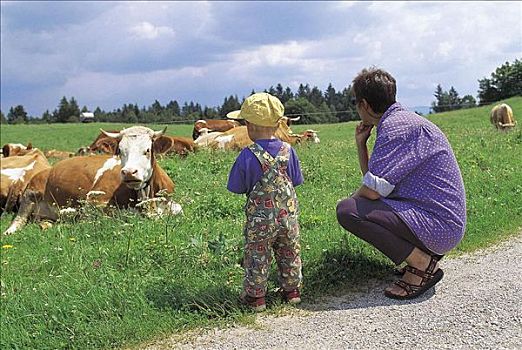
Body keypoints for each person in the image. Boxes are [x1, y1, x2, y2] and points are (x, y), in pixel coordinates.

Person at [336, 67, 466, 300]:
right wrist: (361, 145)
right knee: (357, 205)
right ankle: (422, 258)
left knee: (347, 210)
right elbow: (376, 182)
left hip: (438, 227)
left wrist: (353, 203)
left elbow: (371, 193)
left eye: (356, 102)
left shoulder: (396, 128)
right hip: (440, 222)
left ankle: (422, 265)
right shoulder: (400, 121)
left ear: (364, 105)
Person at [227, 92, 304, 312]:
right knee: (290, 251)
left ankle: (256, 297)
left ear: (249, 126)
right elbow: (296, 180)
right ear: (279, 123)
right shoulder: (290, 151)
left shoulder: (247, 155)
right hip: (288, 218)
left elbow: (237, 187)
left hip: (260, 221)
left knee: (257, 254)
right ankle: (292, 292)